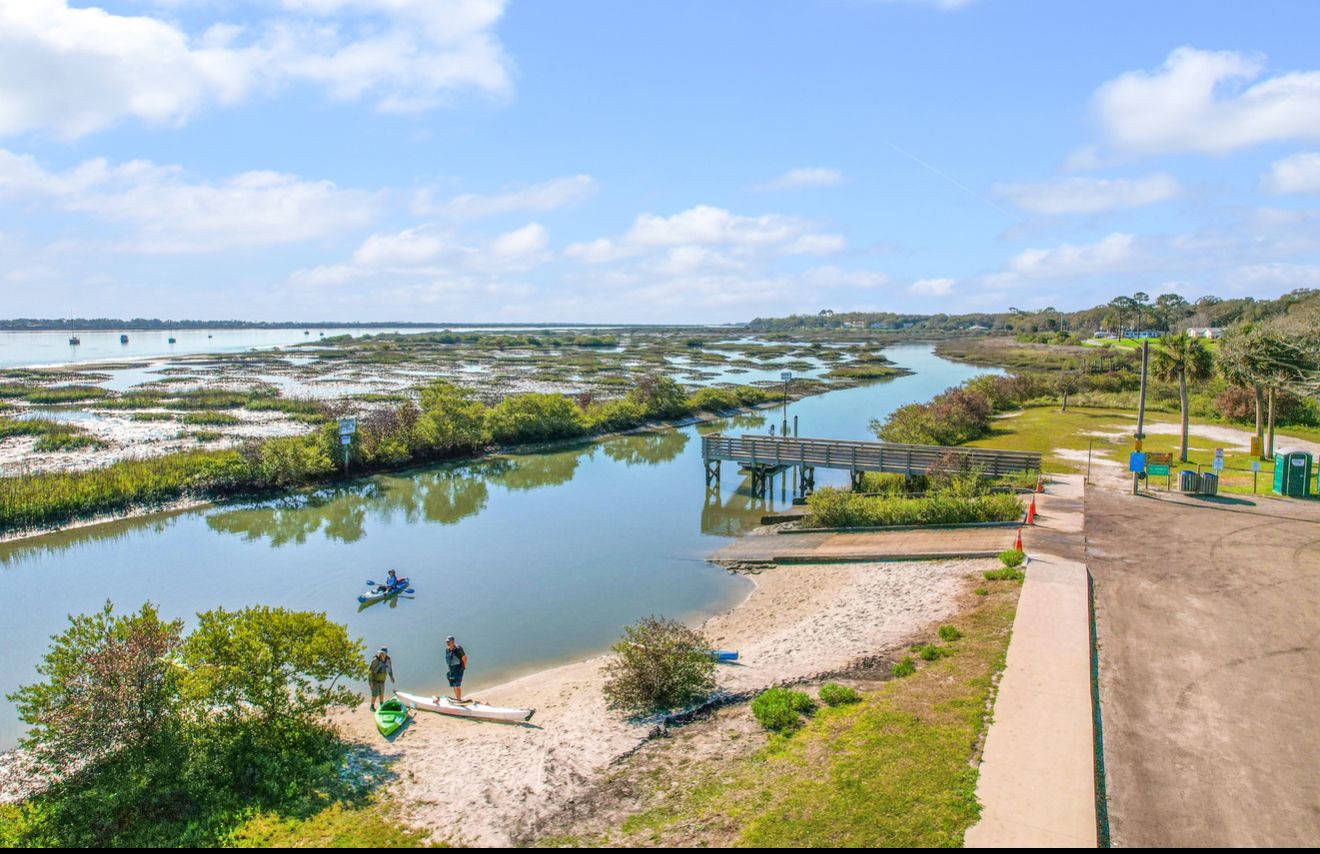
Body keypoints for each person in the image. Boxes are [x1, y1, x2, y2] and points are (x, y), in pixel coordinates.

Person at [444, 636, 468, 701]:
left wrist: (464, 667)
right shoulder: (447, 650)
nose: (447, 643)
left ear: (453, 641)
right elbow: (449, 660)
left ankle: (459, 699)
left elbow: (464, 658)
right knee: (453, 684)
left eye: (449, 642)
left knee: (457, 685)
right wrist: (449, 668)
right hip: (451, 669)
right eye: (447, 642)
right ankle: (457, 698)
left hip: (458, 669)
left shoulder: (458, 648)